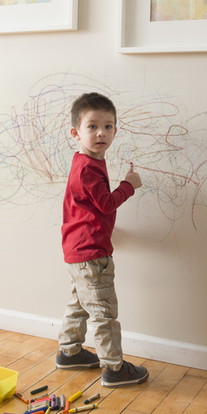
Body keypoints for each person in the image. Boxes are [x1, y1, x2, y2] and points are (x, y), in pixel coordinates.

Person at [55, 92, 149, 387]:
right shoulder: (87, 168)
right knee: (104, 311)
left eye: (108, 126)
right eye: (92, 126)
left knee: (80, 303)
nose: (101, 133)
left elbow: (90, 206)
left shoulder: (87, 161)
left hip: (78, 248)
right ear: (76, 132)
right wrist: (128, 185)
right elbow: (106, 203)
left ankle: (70, 352)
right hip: (91, 251)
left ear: (115, 131)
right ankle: (113, 368)